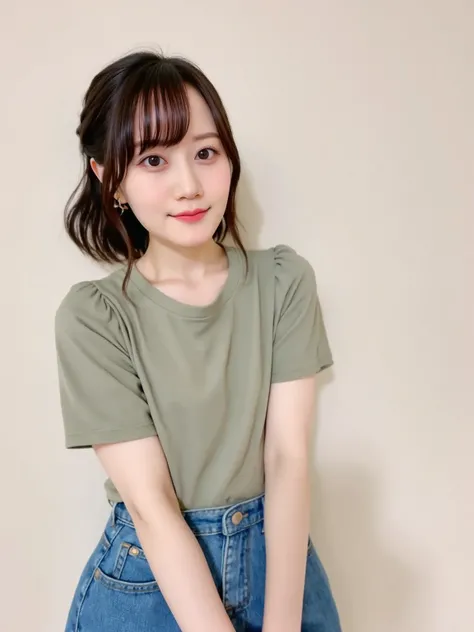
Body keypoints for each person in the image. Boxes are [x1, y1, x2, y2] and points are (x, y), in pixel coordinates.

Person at [54, 49, 342, 632]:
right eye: (154, 160)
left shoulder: (283, 282)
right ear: (110, 178)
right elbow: (150, 504)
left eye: (205, 153)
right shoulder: (95, 318)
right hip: (148, 581)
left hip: (280, 565)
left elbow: (287, 458)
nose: (190, 185)